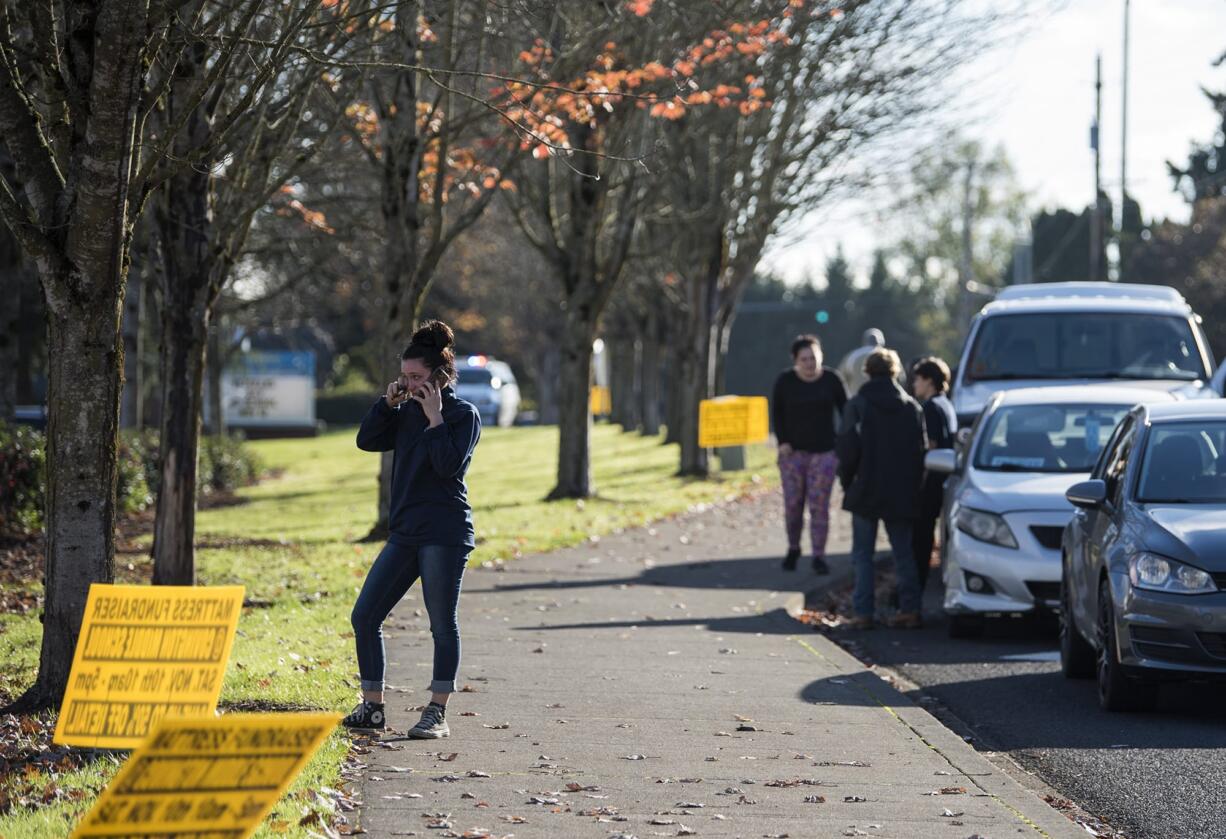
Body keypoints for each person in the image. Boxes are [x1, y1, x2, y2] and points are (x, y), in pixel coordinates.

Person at [345, 320, 481, 737]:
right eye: (405, 376)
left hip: (445, 533)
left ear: (439, 378)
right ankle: (372, 707)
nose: (409, 383)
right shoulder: (402, 414)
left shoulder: (462, 416)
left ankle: (436, 711)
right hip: (405, 533)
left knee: (441, 623)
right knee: (365, 615)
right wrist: (387, 405)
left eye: (417, 377)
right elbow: (366, 441)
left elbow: (447, 467)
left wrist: (435, 417)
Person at [835, 348, 926, 629]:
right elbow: (919, 453)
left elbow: (848, 449)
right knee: (903, 552)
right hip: (900, 491)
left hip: (865, 488)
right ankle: (910, 609)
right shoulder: (911, 407)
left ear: (867, 372)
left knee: (863, 555)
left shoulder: (858, 405)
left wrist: (847, 481)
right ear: (896, 372)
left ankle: (863, 613)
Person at [771, 335, 849, 573]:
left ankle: (819, 555)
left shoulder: (832, 380)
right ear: (795, 360)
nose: (809, 363)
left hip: (824, 453)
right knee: (793, 505)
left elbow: (846, 412)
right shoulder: (785, 382)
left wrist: (842, 444)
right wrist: (782, 441)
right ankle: (793, 547)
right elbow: (777, 413)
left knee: (819, 506)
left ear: (821, 357)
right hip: (793, 454)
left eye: (813, 358)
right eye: (804, 359)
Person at [910, 356, 957, 594]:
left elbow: (933, 446)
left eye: (917, 379)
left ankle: (916, 586)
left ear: (928, 380)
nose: (914, 384)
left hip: (931, 481)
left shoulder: (930, 407)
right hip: (947, 479)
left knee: (921, 535)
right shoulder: (946, 404)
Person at [837, 328, 885, 395]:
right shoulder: (888, 357)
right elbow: (900, 378)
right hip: (882, 400)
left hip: (857, 399)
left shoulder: (852, 356)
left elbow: (840, 378)